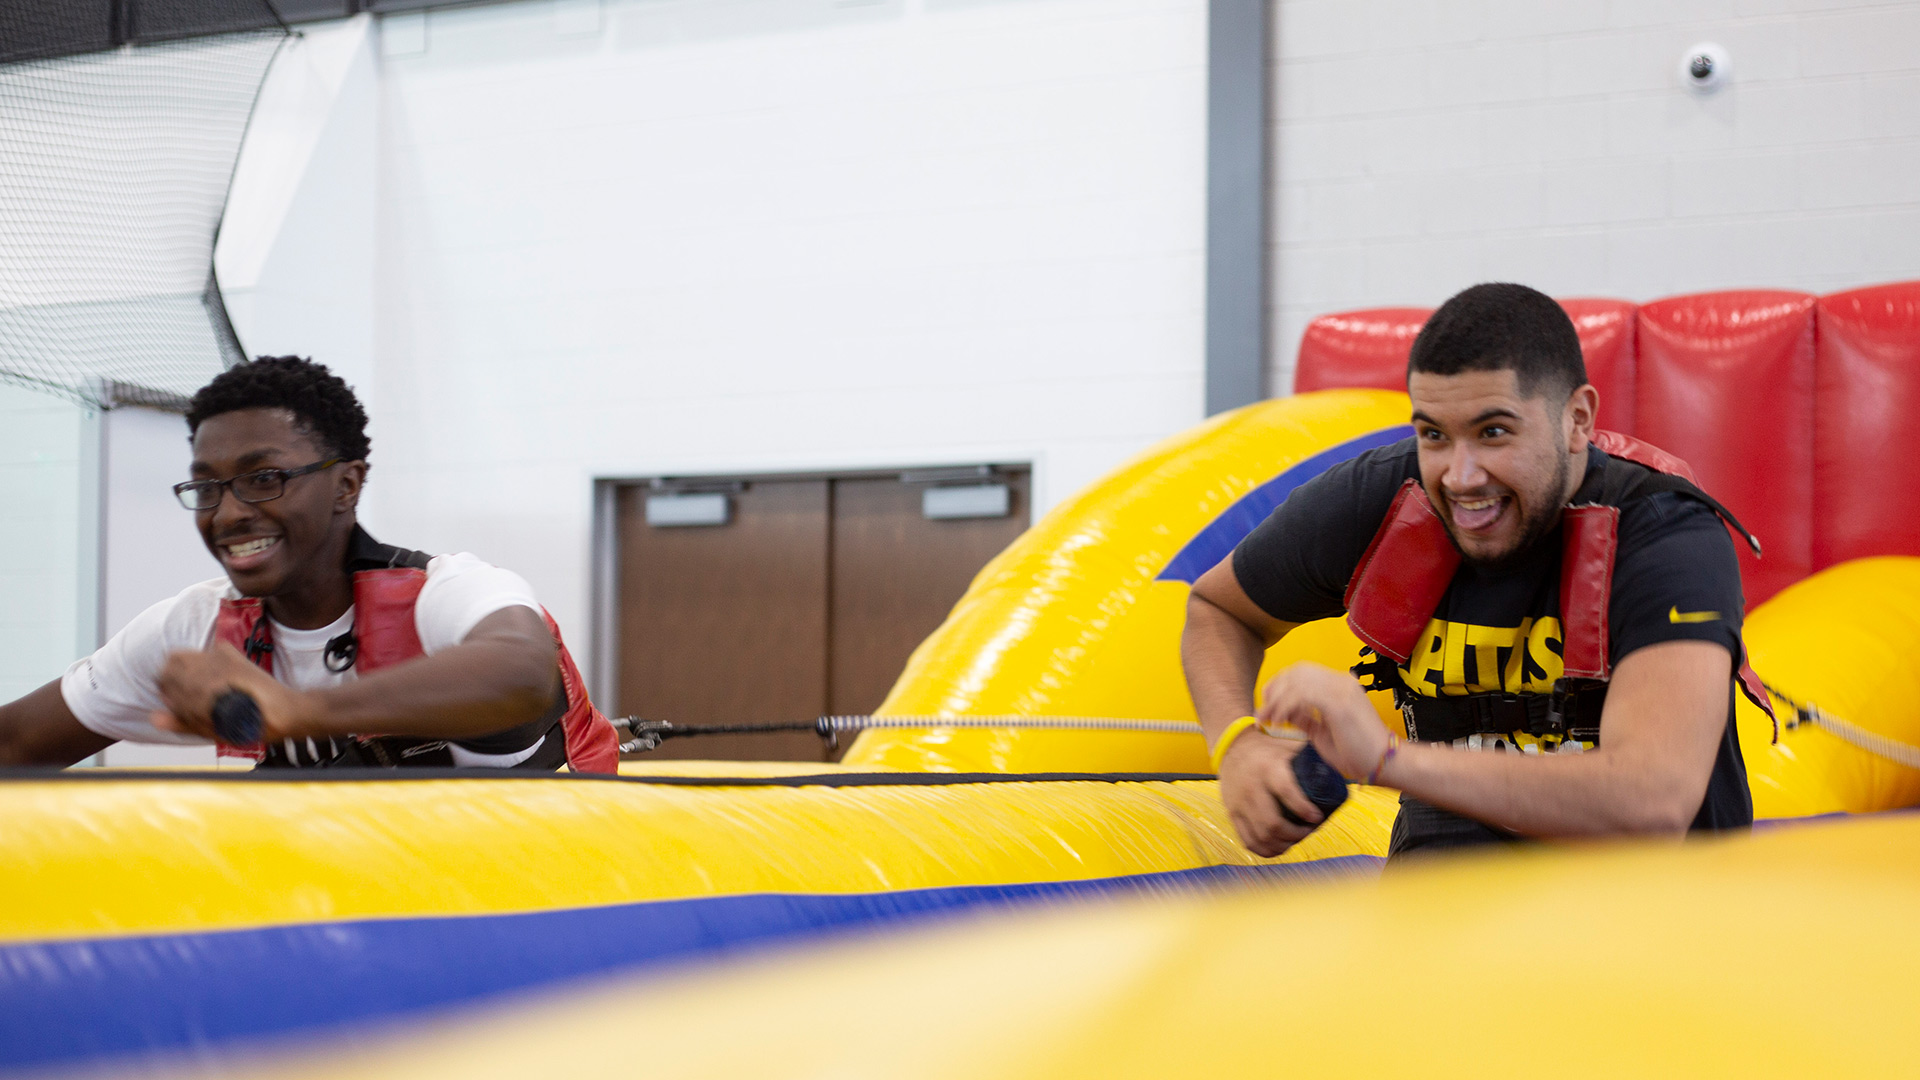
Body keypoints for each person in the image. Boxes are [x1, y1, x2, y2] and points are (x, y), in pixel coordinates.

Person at [1182, 283, 1772, 860]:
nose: (1460, 477)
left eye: (1494, 433)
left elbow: (1653, 800)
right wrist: (1236, 745)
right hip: (1453, 898)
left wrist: (1385, 760)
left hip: (1651, 913)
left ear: (1577, 419)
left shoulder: (1665, 532)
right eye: (1434, 434)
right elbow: (1216, 609)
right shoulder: (1382, 498)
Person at [0, 356, 619, 771]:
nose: (229, 513)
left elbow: (520, 672)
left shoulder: (446, 593)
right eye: (207, 488)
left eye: (264, 479)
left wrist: (298, 712)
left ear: (348, 485)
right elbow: (18, 739)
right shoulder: (192, 632)